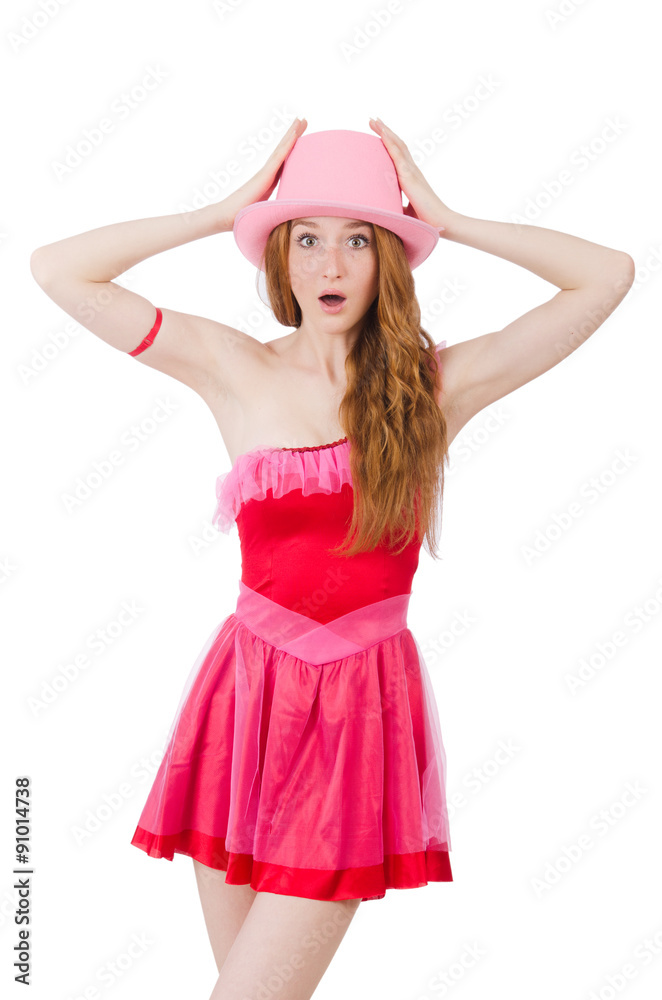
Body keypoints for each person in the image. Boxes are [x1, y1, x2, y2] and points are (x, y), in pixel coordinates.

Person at [30, 117, 634, 1000]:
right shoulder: (231, 364)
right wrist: (221, 212)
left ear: (389, 257)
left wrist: (450, 220)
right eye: (306, 239)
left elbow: (607, 276)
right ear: (279, 257)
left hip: (357, 715)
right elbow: (57, 270)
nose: (330, 266)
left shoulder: (437, 386)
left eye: (358, 239)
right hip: (242, 707)